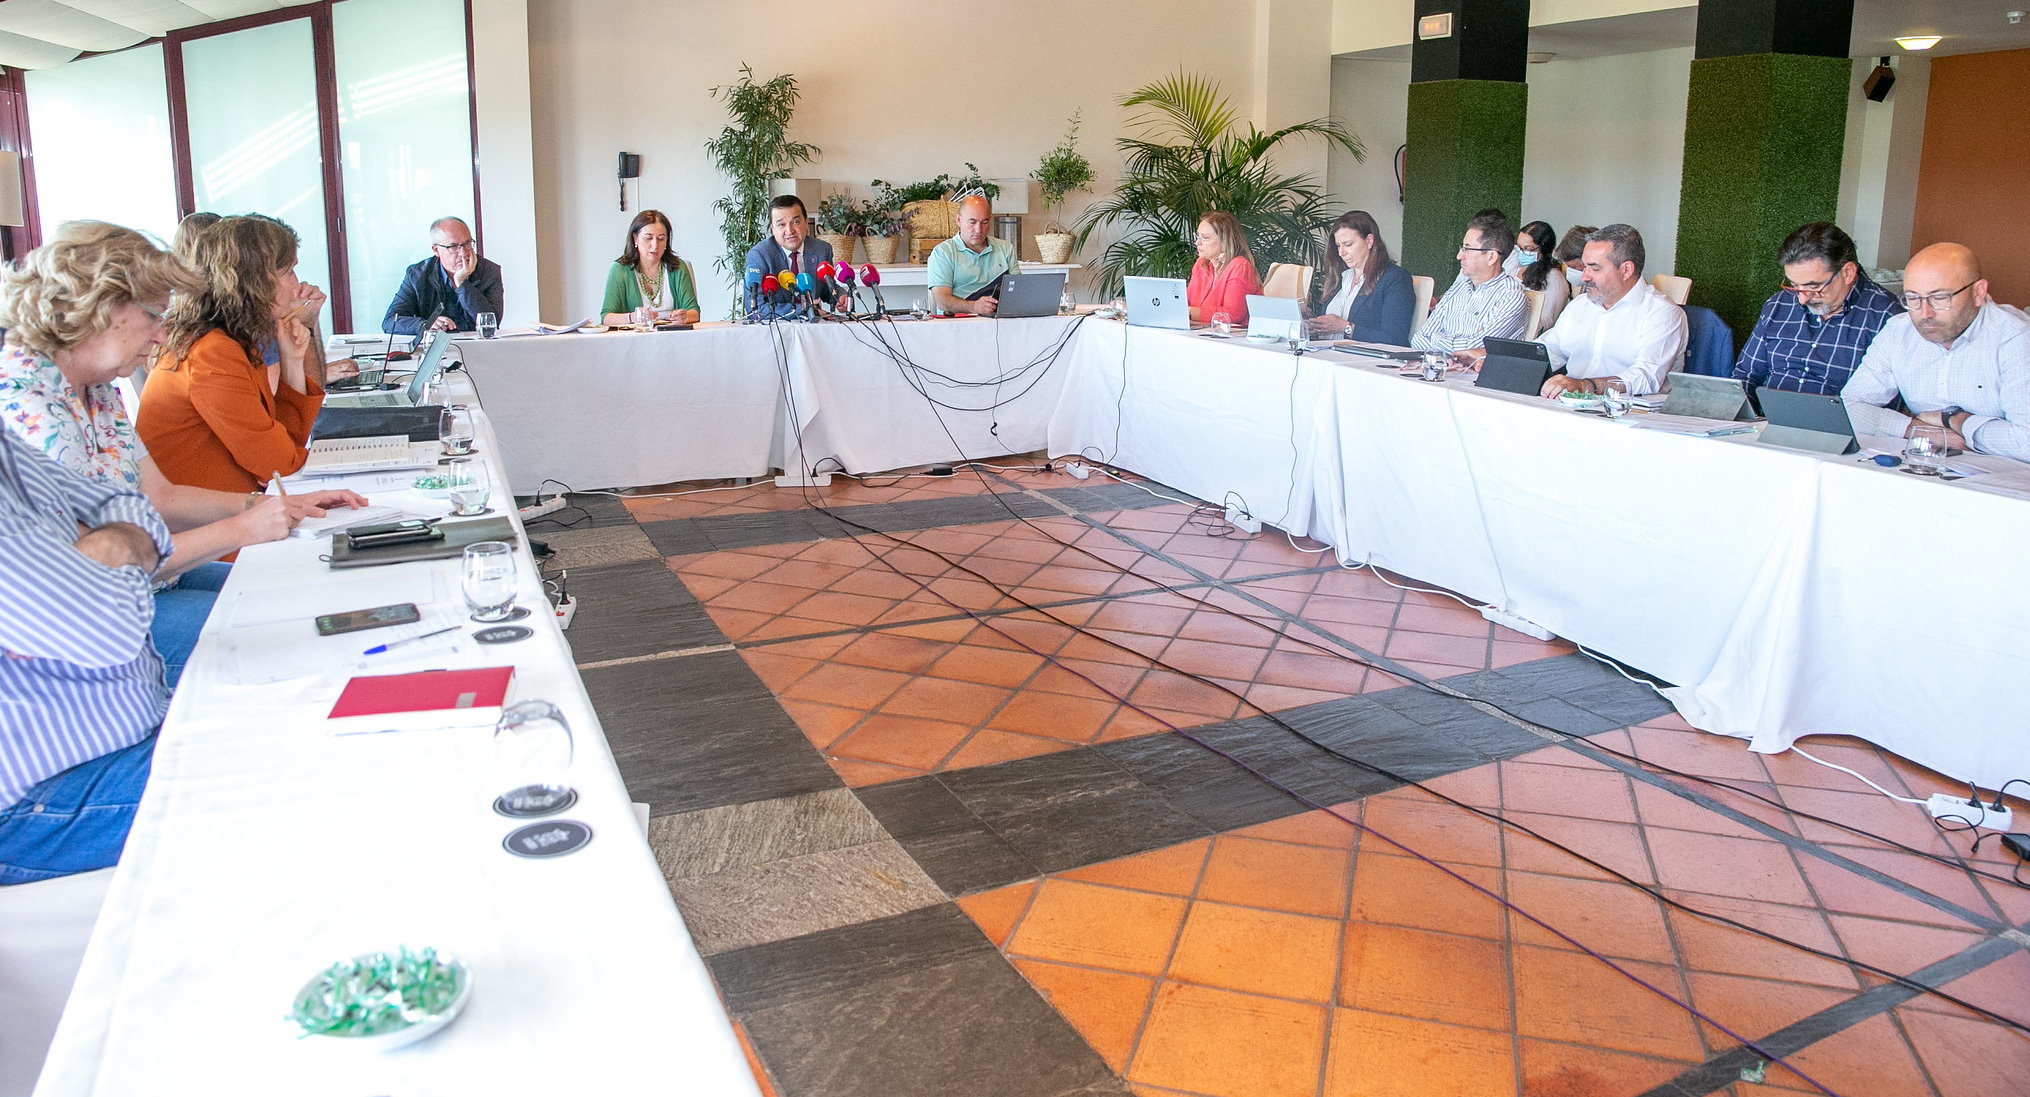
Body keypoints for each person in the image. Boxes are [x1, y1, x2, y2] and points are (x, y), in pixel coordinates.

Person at [0, 221, 363, 686]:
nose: (160, 334)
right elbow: (90, 575)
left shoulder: (97, 386)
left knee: (302, 601)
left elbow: (160, 496)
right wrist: (241, 525)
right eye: (153, 315)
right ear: (101, 308)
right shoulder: (29, 406)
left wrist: (262, 506)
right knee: (286, 634)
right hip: (99, 621)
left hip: (156, 575)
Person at [0, 428, 172, 883]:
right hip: (36, 801)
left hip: (133, 722)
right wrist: (118, 549)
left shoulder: (7, 444)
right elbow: (105, 628)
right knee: (309, 770)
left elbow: (135, 506)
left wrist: (108, 544)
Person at [138, 215, 329, 494]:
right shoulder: (211, 352)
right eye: (288, 272)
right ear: (256, 281)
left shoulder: (234, 341)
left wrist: (292, 360)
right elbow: (278, 464)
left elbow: (286, 443)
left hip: (232, 509)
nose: (296, 285)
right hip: (201, 525)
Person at [1843, 242, 2029, 462]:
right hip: (1925, 465)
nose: (1925, 313)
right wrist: (1917, 429)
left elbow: (2025, 442)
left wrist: (1957, 421)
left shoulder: (2016, 338)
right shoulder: (1898, 331)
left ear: (1978, 292)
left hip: (2007, 482)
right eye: (1913, 298)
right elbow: (1848, 408)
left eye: (1940, 298)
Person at [1733, 222, 1903, 395]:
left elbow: (1881, 405)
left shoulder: (1888, 316)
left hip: (1840, 421)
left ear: (1848, 273)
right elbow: (1746, 375)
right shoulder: (1779, 304)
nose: (1802, 298)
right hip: (1766, 419)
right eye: (1794, 285)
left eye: (1813, 287)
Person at [1536, 224, 1687, 398]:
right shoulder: (1580, 306)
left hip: (1630, 414)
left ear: (1626, 270)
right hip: (1572, 406)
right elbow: (1548, 350)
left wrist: (1586, 385)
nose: (1585, 277)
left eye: (1595, 268)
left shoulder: (1662, 313)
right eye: (1584, 267)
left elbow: (1646, 377)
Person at [1410, 210, 1529, 365]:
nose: (1459, 256)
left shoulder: (1512, 297)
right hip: (1440, 369)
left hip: (1477, 380)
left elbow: (1474, 350)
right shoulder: (1459, 288)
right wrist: (1449, 351)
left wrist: (1437, 339)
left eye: (1467, 248)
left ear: (1491, 257)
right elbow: (1418, 339)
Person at [1305, 210, 1415, 346]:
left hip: (1363, 361)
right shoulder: (1340, 279)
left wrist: (1346, 328)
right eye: (1338, 246)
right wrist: (1314, 328)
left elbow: (1395, 339)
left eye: (1348, 244)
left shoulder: (1395, 279)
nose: (1341, 253)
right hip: (1327, 355)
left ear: (1369, 241)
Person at [383, 216, 504, 336]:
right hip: (434, 349)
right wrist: (425, 325)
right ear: (436, 250)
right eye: (453, 247)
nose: (463, 253)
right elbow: (390, 322)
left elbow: (491, 324)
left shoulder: (489, 271)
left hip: (478, 349)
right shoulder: (417, 275)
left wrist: (462, 284)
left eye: (467, 244)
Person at [742, 195, 839, 321]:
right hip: (776, 331)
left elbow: (826, 288)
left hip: (815, 328)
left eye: (796, 222)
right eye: (781, 225)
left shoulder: (822, 250)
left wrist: (840, 297)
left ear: (805, 222)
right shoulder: (759, 255)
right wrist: (803, 309)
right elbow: (756, 308)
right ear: (773, 229)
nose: (790, 230)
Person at [600, 209, 700, 326]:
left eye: (661, 238)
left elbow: (695, 312)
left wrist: (685, 316)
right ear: (635, 239)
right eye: (648, 238)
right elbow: (606, 318)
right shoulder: (619, 270)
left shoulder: (678, 267)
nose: (655, 245)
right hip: (634, 339)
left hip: (673, 337)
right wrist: (633, 317)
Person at [927, 194, 1020, 316]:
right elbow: (942, 301)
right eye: (972, 222)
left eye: (984, 222)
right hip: (960, 323)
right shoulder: (943, 253)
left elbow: (1018, 290)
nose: (978, 229)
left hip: (1000, 320)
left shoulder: (1005, 248)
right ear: (958, 220)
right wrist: (974, 306)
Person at [1186, 211, 1262, 326]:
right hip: (1203, 333)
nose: (1197, 243)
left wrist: (1190, 311)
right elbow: (1186, 302)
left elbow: (1233, 314)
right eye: (1198, 236)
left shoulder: (1240, 266)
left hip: (1233, 338)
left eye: (1205, 238)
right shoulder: (1201, 264)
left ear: (1224, 242)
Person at [1515, 220, 1570, 334]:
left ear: (1544, 249)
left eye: (1528, 249)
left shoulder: (1554, 278)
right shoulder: (1515, 270)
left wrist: (1512, 322)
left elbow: (1547, 321)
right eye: (1519, 248)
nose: (1521, 253)